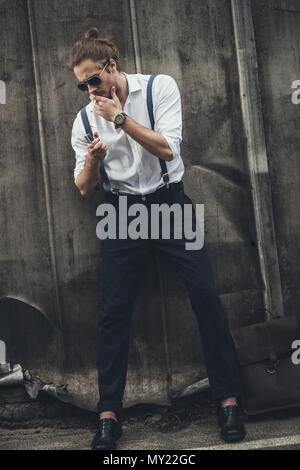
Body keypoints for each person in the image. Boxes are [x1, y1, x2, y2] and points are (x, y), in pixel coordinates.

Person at [68, 27, 246, 450]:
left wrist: (120, 119)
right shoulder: (81, 119)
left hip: (169, 202)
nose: (89, 90)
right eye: (82, 84)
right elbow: (83, 188)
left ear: (112, 67)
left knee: (206, 297)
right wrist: (93, 161)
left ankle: (229, 401)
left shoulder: (158, 88)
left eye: (93, 79)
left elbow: (169, 150)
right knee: (114, 313)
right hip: (122, 211)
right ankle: (109, 414)